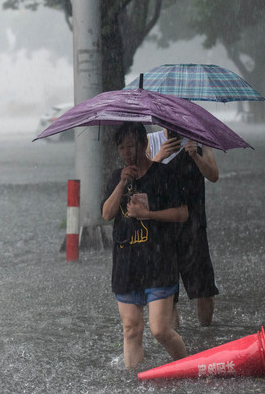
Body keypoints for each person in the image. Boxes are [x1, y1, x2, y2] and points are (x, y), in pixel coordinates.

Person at [102, 122, 189, 369]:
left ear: (144, 144)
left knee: (160, 329)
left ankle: (188, 369)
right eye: (121, 148)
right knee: (131, 328)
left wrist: (148, 215)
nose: (126, 153)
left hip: (159, 262)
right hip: (126, 265)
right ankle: (135, 381)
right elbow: (107, 214)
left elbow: (183, 213)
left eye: (131, 146)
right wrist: (122, 184)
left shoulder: (164, 174)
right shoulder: (116, 178)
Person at [148, 129, 219, 327]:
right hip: (161, 230)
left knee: (204, 290)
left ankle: (206, 336)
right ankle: (176, 341)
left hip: (194, 227)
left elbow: (214, 175)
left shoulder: (201, 140)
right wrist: (159, 157)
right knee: (168, 296)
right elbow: (142, 183)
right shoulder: (151, 141)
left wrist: (195, 155)